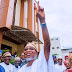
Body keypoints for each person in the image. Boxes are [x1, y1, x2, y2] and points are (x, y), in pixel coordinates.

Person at [18, 1, 58, 72]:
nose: (28, 51)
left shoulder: (40, 63)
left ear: (36, 53)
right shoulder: (21, 70)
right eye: (25, 49)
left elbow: (47, 44)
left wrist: (42, 21)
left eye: (31, 48)